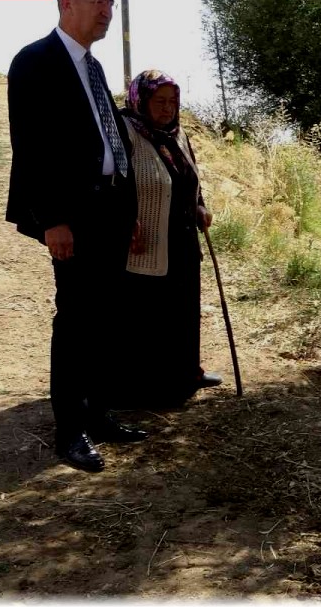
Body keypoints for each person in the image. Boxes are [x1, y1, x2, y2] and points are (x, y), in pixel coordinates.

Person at [5, 0, 148, 473]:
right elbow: (32, 150)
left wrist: (128, 211)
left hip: (110, 211)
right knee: (76, 320)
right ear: (67, 2)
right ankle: (70, 431)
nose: (108, 11)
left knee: (107, 317)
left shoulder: (94, 66)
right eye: (100, 1)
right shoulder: (35, 62)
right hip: (74, 217)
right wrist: (53, 220)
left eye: (111, 2)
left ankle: (98, 413)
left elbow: (111, 142)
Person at [108, 69, 223, 409]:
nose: (167, 109)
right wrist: (124, 222)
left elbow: (190, 177)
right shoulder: (124, 129)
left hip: (183, 236)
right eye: (159, 101)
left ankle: (187, 373)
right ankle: (143, 388)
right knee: (146, 315)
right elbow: (115, 181)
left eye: (172, 102)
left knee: (183, 309)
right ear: (140, 100)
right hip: (145, 238)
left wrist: (200, 206)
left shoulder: (177, 133)